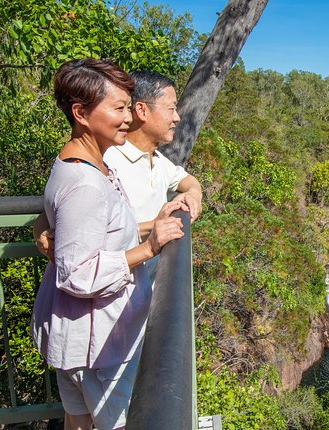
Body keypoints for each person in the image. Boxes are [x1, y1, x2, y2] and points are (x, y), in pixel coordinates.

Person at [31, 58, 184, 430]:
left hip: (79, 339)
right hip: (99, 345)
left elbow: (77, 224)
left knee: (77, 423)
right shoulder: (85, 180)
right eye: (118, 109)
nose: (128, 119)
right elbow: (78, 274)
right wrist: (148, 249)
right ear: (81, 113)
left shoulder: (81, 162)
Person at [35, 70, 203, 279]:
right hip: (110, 295)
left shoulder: (156, 159)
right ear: (142, 111)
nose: (177, 118)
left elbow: (186, 180)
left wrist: (193, 194)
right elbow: (65, 219)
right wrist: (42, 233)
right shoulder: (105, 161)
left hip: (142, 289)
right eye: (171, 109)